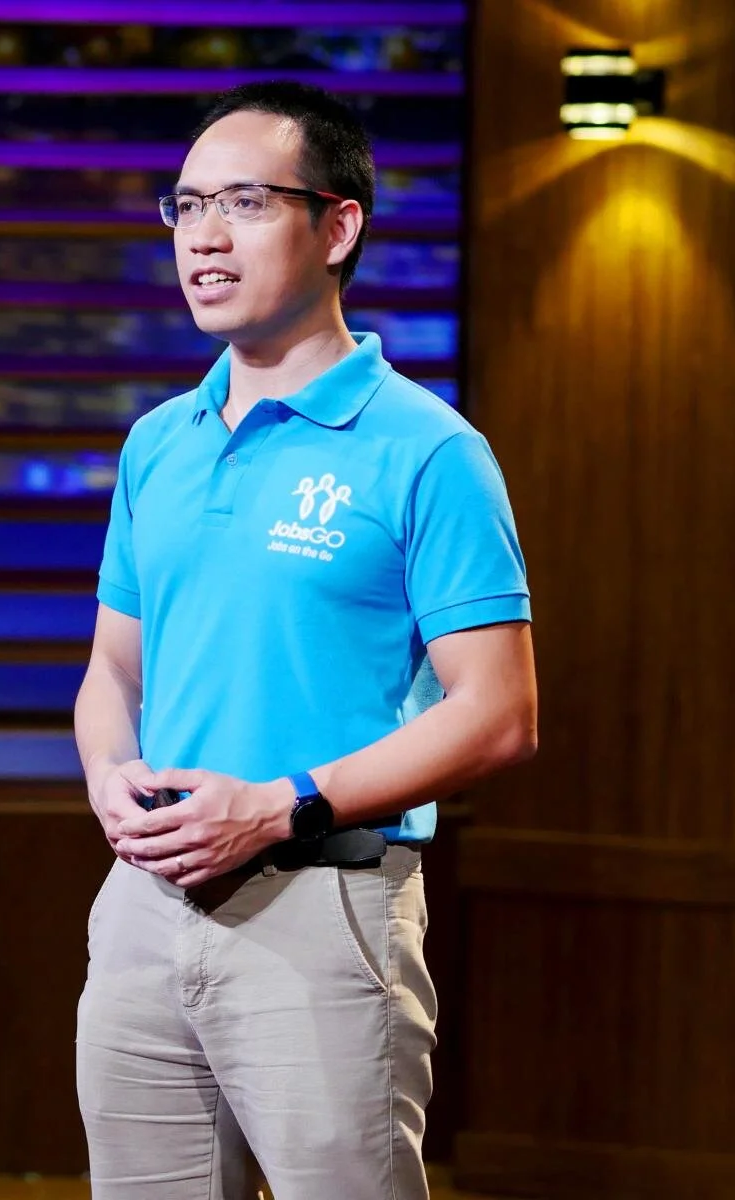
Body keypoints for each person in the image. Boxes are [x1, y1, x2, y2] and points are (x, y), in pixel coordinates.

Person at [72, 81, 538, 1200]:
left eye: (244, 202)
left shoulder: (429, 451)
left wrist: (282, 806)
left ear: (338, 227)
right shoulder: (158, 443)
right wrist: (107, 779)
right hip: (144, 909)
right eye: (186, 206)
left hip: (323, 903)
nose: (205, 237)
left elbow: (499, 715)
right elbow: (112, 672)